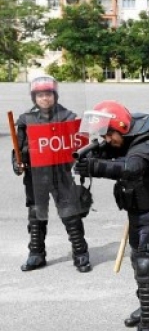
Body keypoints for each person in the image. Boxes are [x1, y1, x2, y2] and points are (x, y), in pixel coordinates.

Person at [74, 101, 149, 331]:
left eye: (110, 134)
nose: (107, 139)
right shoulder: (124, 139)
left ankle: (148, 325)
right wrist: (93, 155)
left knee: (145, 265)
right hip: (138, 213)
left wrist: (96, 167)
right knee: (141, 264)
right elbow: (114, 154)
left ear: (122, 127)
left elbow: (131, 167)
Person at [12, 76, 92, 273]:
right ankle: (36, 253)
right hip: (35, 175)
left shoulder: (67, 117)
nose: (44, 99)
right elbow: (18, 148)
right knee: (36, 216)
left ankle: (80, 253)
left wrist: (82, 160)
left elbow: (79, 145)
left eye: (48, 94)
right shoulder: (26, 120)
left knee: (71, 215)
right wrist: (17, 163)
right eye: (40, 95)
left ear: (54, 95)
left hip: (61, 174)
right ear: (34, 97)